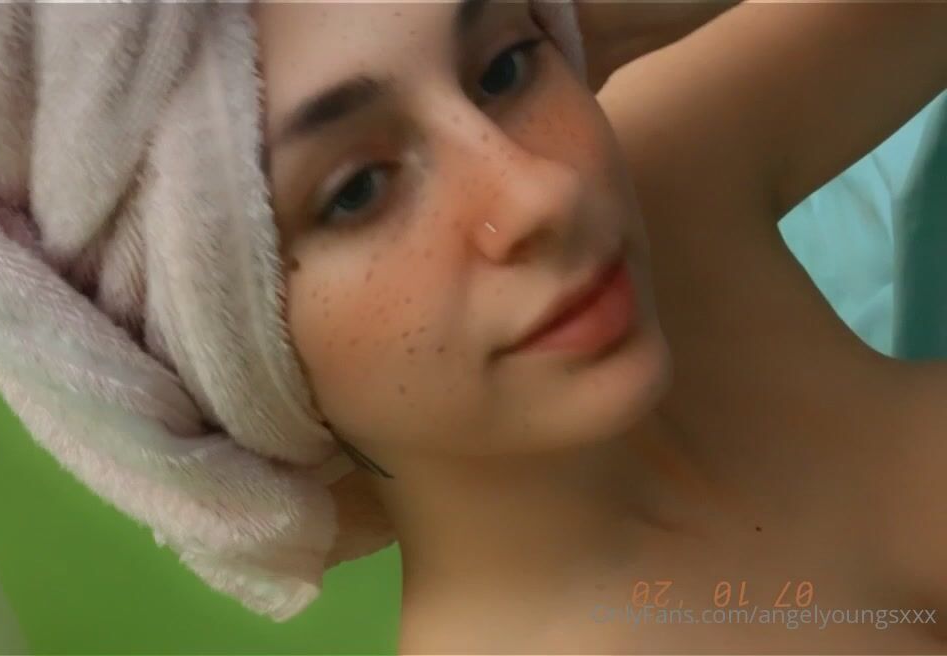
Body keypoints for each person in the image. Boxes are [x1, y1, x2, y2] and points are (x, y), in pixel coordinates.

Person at [252, 1, 947, 652]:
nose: (542, 194)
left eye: (502, 70)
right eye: (359, 191)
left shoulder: (659, 185)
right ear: (228, 366)